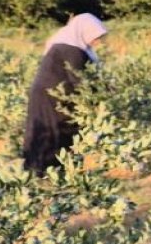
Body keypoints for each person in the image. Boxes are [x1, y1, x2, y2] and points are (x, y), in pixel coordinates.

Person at [22, 13, 108, 175]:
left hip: (54, 96)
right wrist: (99, 101)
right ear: (84, 31)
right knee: (52, 131)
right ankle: (45, 171)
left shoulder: (72, 46)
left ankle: (49, 170)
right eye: (95, 36)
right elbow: (80, 80)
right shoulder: (71, 49)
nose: (97, 41)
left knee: (55, 131)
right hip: (51, 97)